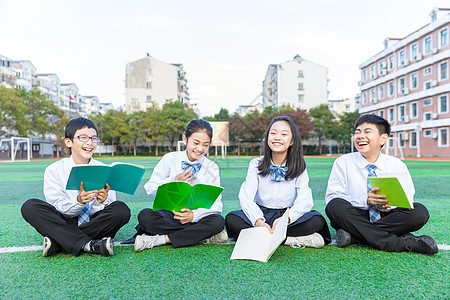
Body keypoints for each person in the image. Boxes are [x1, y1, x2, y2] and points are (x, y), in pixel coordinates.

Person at [325, 114, 438, 255]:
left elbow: (407, 199)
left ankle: (355, 237)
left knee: (419, 211)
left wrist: (387, 205)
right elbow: (332, 197)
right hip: (356, 215)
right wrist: (365, 200)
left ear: (383, 138)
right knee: (335, 206)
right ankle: (401, 243)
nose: (360, 136)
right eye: (357, 132)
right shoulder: (343, 162)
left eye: (367, 132)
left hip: (387, 217)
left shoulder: (397, 165)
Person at [21, 117, 131, 257]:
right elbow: (58, 206)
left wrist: (99, 202)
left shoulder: (104, 169)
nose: (89, 143)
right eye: (83, 138)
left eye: (93, 138)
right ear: (68, 141)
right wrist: (78, 202)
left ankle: (60, 241)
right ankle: (90, 245)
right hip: (65, 220)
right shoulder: (54, 170)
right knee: (30, 206)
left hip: (94, 222)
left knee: (121, 210)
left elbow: (107, 209)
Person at [225, 116, 331, 248]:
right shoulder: (256, 164)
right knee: (231, 218)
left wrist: (286, 219)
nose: (277, 137)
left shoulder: (299, 166)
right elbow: (246, 197)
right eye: (273, 133)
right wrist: (258, 221)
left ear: (292, 141)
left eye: (284, 134)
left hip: (287, 217)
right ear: (267, 137)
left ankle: (264, 237)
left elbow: (305, 199)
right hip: (261, 213)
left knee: (317, 220)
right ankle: (289, 239)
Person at [133, 119, 227, 252]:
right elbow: (150, 187)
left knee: (218, 221)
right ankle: (202, 236)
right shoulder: (169, 158)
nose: (200, 149)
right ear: (185, 139)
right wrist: (173, 180)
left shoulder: (212, 167)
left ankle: (161, 239)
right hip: (170, 216)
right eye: (196, 143)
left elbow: (217, 205)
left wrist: (193, 215)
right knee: (145, 216)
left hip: (197, 218)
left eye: (205, 145)